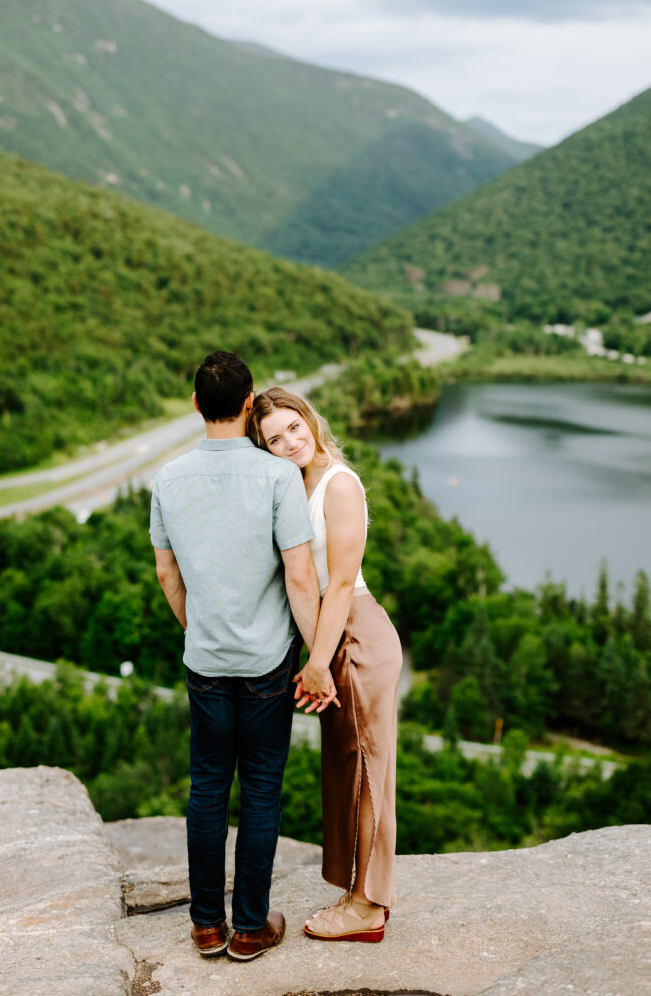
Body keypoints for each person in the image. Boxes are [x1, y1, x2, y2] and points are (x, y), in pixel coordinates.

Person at [150, 353, 325, 961]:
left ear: (196, 404)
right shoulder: (277, 477)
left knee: (206, 791)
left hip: (205, 662)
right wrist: (317, 660)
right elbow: (301, 579)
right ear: (250, 403)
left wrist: (199, 629)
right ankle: (250, 927)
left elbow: (166, 572)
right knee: (260, 790)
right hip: (266, 666)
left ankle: (205, 925)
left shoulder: (168, 477)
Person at [248, 387, 402, 943]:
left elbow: (339, 582)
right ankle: (358, 892)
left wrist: (318, 663)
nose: (290, 441)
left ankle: (368, 908)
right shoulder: (299, 483)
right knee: (346, 771)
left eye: (294, 427)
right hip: (332, 637)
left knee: (365, 773)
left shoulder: (338, 484)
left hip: (355, 636)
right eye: (274, 438)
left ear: (309, 420)